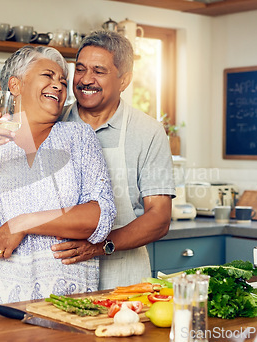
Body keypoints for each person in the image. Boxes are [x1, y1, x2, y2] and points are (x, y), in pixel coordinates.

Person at [0, 45, 116, 309]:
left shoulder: (80, 139)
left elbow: (99, 217)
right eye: (48, 75)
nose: (58, 85)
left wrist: (22, 223)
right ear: (15, 84)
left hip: (63, 300)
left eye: (62, 81)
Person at [51, 30, 175, 290]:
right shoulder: (52, 123)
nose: (86, 80)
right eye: (81, 69)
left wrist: (98, 246)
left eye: (99, 71)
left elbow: (159, 217)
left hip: (124, 279)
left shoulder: (148, 131)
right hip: (59, 274)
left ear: (124, 80)